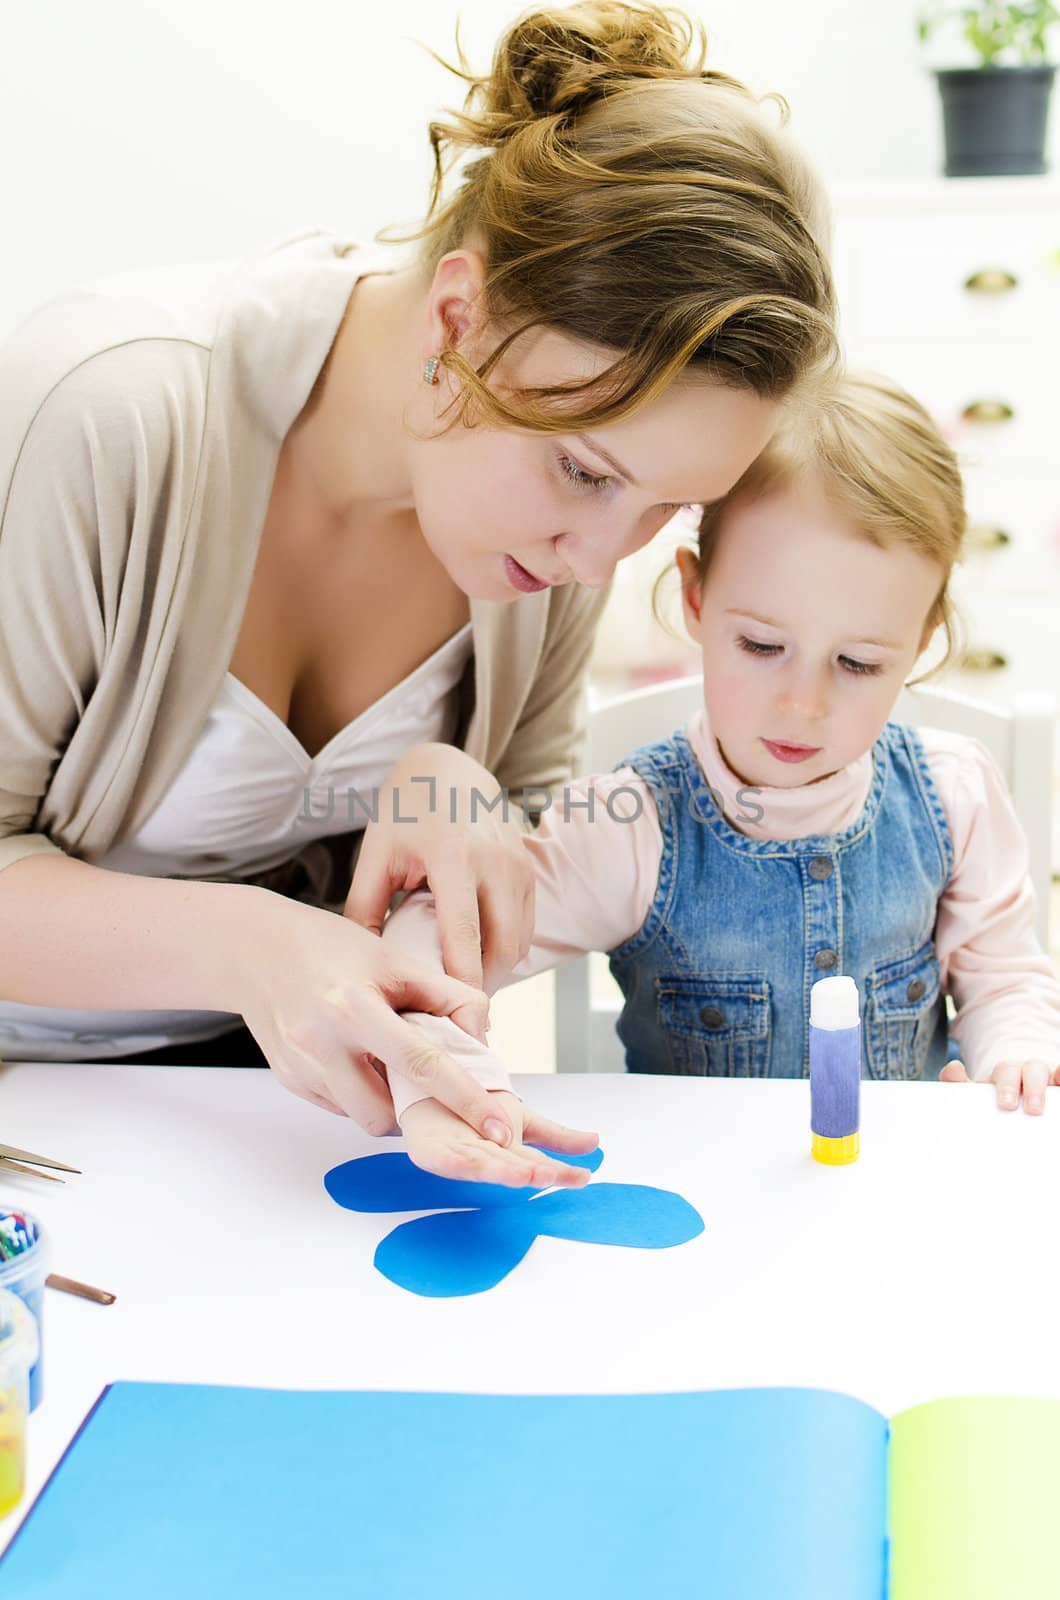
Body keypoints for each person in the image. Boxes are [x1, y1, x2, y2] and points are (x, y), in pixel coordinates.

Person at [0, 3, 836, 1168]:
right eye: (587, 472)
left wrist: (446, 798)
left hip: (278, 1131)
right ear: (459, 316)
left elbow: (511, 840)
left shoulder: (548, 535)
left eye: (667, 507)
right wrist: (256, 947)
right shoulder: (108, 414)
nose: (601, 561)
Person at [382, 371, 1060, 1185]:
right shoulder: (632, 824)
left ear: (920, 642)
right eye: (762, 647)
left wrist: (1012, 1059)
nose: (801, 704)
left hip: (892, 1202)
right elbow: (434, 942)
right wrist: (455, 1087)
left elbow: (1004, 978)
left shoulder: (956, 796)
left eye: (858, 662)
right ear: (697, 601)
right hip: (699, 1217)